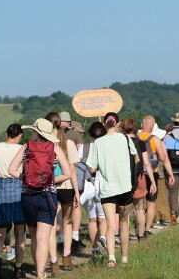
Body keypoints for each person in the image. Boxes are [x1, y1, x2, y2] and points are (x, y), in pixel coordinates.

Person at [8, 118, 72, 279]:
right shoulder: (55, 148)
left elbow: (11, 170)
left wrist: (25, 179)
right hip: (47, 195)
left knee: (35, 236)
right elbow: (67, 174)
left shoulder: (26, 147)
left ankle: (39, 269)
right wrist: (51, 180)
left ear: (35, 132)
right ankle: (40, 275)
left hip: (28, 196)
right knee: (44, 237)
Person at [86, 112, 137, 268]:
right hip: (125, 186)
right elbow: (136, 158)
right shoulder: (126, 138)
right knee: (123, 223)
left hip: (107, 188)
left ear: (104, 124)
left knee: (109, 224)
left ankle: (111, 258)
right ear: (117, 123)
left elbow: (92, 167)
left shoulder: (98, 143)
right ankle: (125, 259)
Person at [0, 123, 26, 279]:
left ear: (6, 134)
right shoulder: (22, 148)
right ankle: (18, 268)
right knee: (20, 232)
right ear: (20, 136)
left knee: (0, 232)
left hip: (1, 187)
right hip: (18, 188)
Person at [45, 112, 80, 273]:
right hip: (66, 186)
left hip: (47, 186)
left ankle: (53, 262)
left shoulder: (43, 143)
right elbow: (72, 171)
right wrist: (77, 193)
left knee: (51, 225)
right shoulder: (69, 144)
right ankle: (66, 256)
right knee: (67, 222)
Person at [138, 116, 174, 236]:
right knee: (151, 202)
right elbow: (164, 158)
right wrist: (170, 174)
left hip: (136, 173)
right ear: (152, 126)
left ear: (141, 124)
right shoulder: (156, 140)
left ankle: (139, 228)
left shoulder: (134, 138)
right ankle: (147, 229)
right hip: (151, 174)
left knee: (137, 203)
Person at [122, 118, 157, 240]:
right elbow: (147, 163)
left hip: (123, 178)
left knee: (123, 209)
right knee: (139, 209)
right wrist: (152, 181)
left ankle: (121, 235)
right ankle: (141, 236)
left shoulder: (121, 142)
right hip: (139, 177)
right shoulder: (140, 143)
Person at [59, 111, 86, 251]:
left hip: (55, 178)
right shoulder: (75, 135)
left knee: (57, 210)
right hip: (72, 174)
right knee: (74, 207)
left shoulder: (51, 134)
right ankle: (74, 236)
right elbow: (80, 155)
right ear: (69, 122)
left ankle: (60, 237)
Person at [81, 122, 107, 255]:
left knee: (92, 219)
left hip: (87, 187)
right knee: (102, 218)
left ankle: (95, 247)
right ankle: (103, 237)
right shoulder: (107, 147)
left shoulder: (84, 148)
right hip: (103, 186)